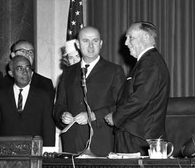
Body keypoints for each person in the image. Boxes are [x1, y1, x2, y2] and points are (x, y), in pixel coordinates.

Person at [54, 26, 125, 156]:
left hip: (101, 143)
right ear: (77, 44)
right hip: (71, 143)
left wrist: (93, 115)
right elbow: (58, 106)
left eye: (95, 41)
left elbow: (122, 106)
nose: (91, 46)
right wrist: (62, 115)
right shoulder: (67, 73)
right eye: (86, 41)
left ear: (101, 43)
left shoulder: (114, 71)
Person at [105, 22, 170, 155]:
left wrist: (116, 117)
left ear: (145, 37)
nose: (126, 43)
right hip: (137, 135)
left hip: (137, 136)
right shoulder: (148, 61)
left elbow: (139, 98)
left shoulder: (149, 62)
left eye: (130, 38)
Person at [0, 55, 55, 146]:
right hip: (6, 152)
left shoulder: (43, 96)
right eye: (20, 69)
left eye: (28, 68)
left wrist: (47, 153)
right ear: (11, 73)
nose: (25, 72)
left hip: (33, 152)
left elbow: (49, 130)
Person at [0, 40, 55, 106]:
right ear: (13, 55)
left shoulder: (45, 83)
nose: (27, 54)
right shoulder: (2, 83)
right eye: (23, 51)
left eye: (30, 52)